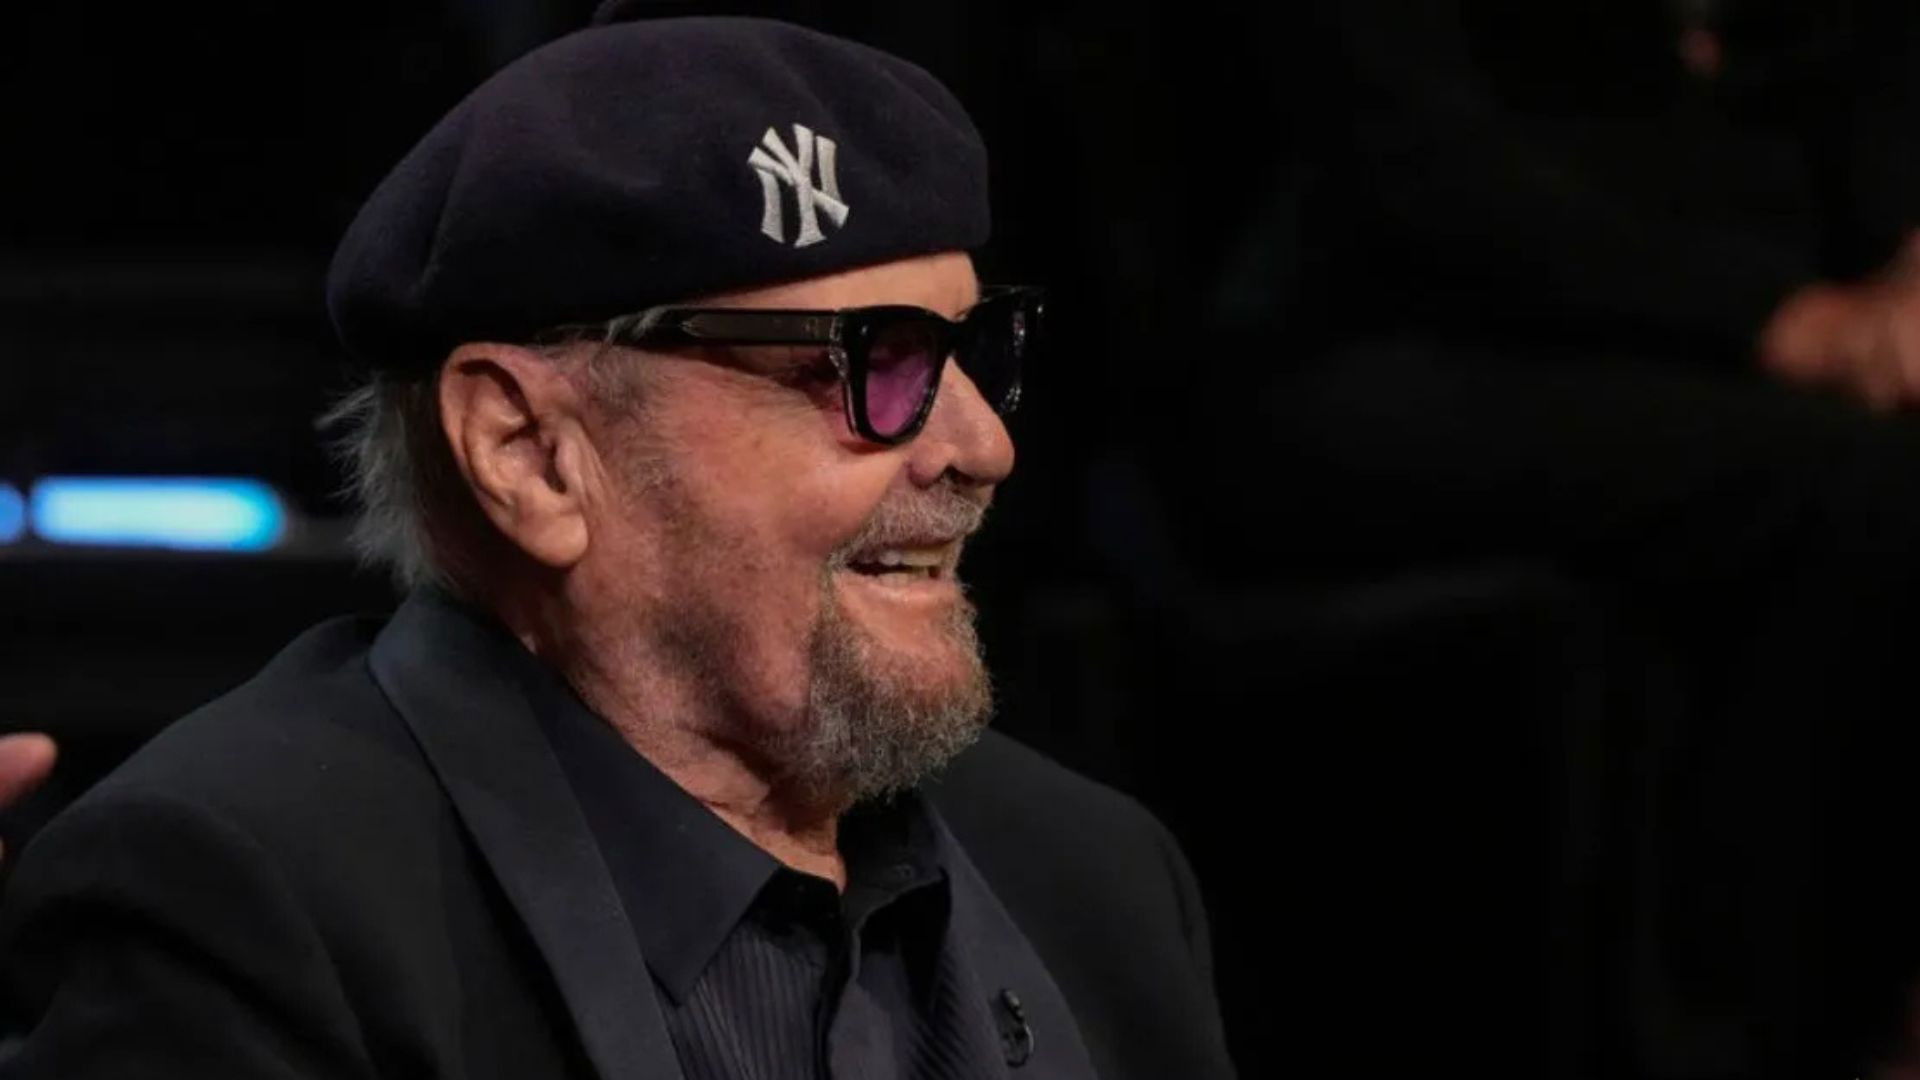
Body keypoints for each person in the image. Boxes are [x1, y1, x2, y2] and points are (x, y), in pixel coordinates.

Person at [0, 11, 1235, 1080]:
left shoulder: (1094, 877)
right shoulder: (242, 905)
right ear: (530, 454)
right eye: (872, 360)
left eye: (972, 352)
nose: (981, 445)